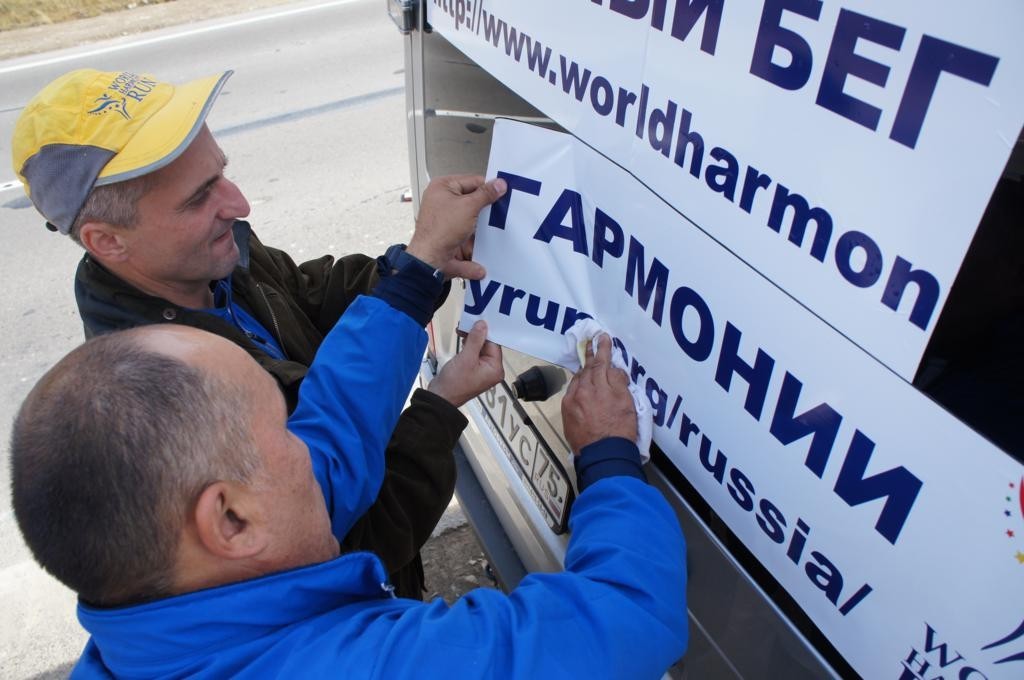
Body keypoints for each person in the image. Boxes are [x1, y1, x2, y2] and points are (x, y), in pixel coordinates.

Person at [11, 248, 690, 677]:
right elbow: (625, 616)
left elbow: (333, 421)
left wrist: (434, 388)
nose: (313, 446)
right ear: (230, 519)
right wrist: (607, 457)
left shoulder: (141, 635)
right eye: (287, 434)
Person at [10, 68, 485, 599]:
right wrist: (436, 408)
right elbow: (341, 537)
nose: (238, 205)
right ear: (107, 241)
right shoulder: (160, 401)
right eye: (198, 198)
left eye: (221, 173)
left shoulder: (215, 256)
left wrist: (417, 262)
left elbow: (307, 296)